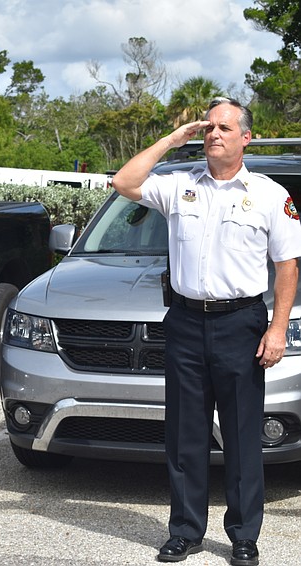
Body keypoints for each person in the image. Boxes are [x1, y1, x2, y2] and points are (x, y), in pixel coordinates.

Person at [112, 97, 301, 566]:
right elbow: (124, 182)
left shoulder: (270, 195)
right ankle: (186, 531)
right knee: (185, 434)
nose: (213, 133)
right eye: (208, 127)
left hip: (241, 323)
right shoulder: (179, 187)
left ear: (245, 138)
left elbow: (287, 267)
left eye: (223, 127)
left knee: (240, 434)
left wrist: (277, 329)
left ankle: (242, 535)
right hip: (185, 321)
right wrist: (173, 140)